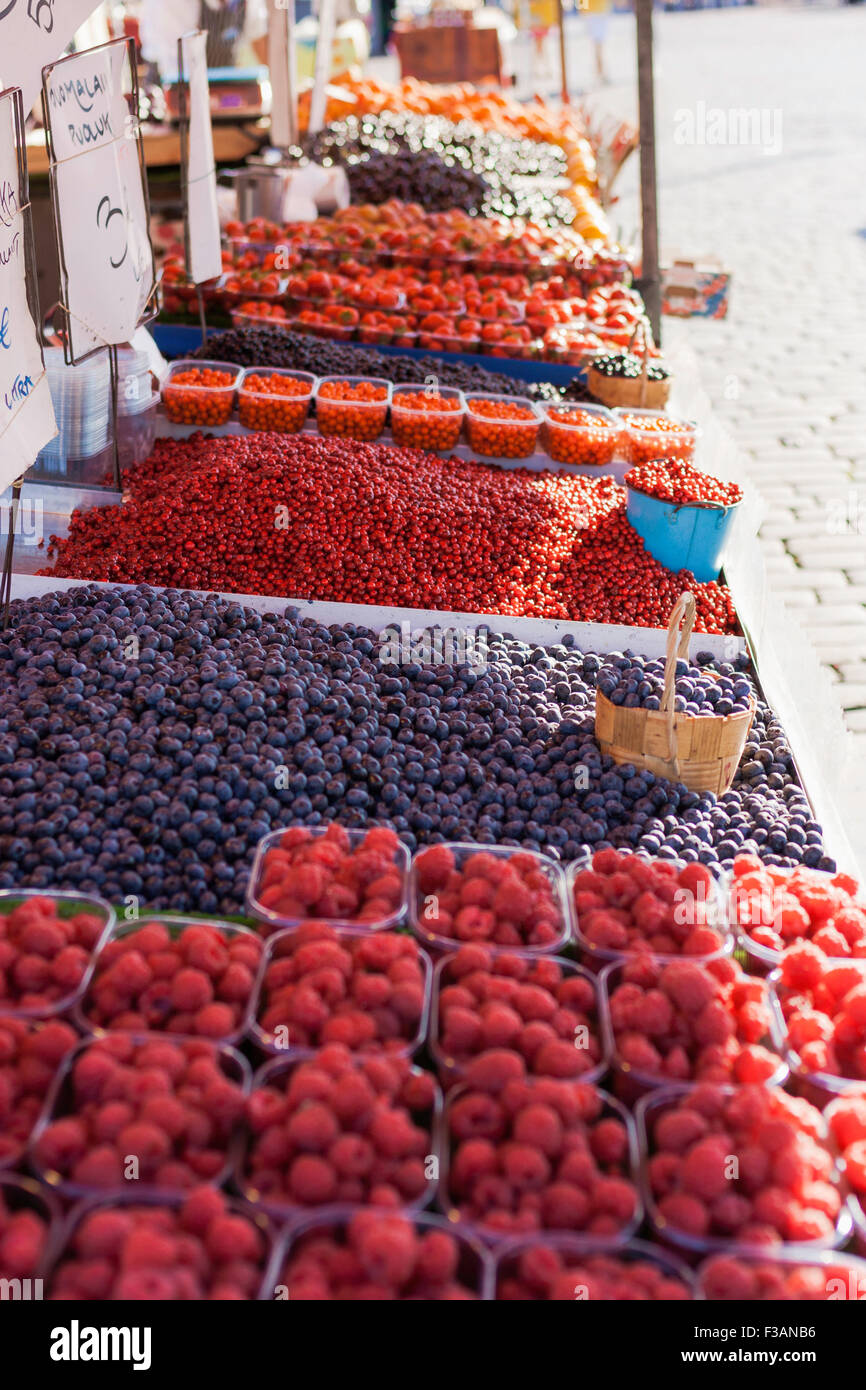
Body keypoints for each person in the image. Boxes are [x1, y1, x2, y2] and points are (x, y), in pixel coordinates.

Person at [139, 0, 268, 79]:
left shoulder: (248, 3)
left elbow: (259, 37)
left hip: (222, 95)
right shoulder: (173, 4)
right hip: (173, 93)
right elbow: (177, 70)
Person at [582, 0, 612, 86]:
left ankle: (600, 70)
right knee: (598, 45)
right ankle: (600, 71)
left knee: (599, 45)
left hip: (600, 12)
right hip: (593, 14)